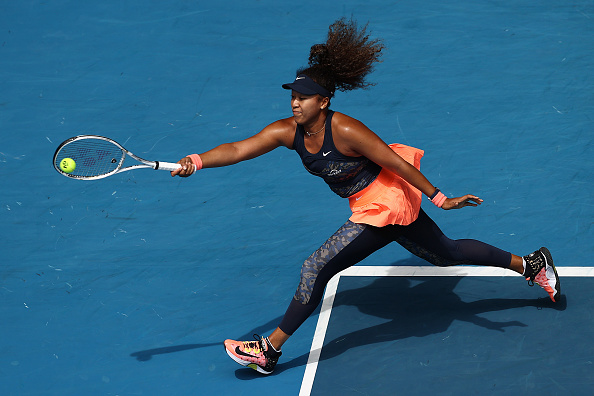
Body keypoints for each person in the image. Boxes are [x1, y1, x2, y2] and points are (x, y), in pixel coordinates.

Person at [171, 18, 560, 375]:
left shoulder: (347, 130)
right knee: (447, 253)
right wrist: (196, 160)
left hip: (386, 203)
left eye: (304, 97)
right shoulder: (287, 131)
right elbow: (238, 149)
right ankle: (532, 264)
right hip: (370, 203)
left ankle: (268, 351)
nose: (295, 102)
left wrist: (440, 197)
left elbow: (395, 162)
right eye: (293, 95)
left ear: (323, 102)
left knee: (314, 268)